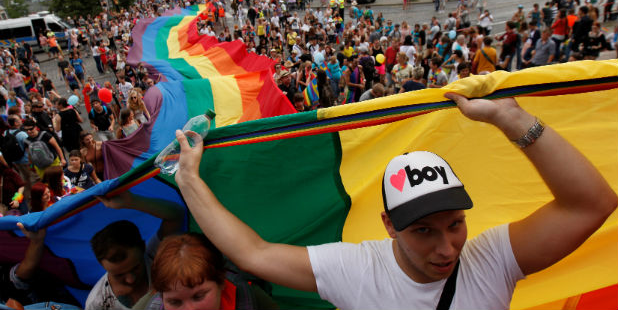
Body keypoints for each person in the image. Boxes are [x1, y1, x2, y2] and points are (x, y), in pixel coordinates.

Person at [173, 87, 617, 309]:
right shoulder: (355, 269)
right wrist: (189, 179)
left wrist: (512, 120)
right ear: (389, 225)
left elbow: (592, 204)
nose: (446, 248)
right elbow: (254, 253)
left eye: (455, 224)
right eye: (423, 230)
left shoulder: (492, 258)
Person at [85, 191, 185, 310]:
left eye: (136, 268)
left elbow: (176, 215)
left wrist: (132, 201)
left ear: (143, 247)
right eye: (119, 275)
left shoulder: (155, 255)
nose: (130, 279)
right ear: (102, 265)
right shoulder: (97, 303)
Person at [146, 233, 278, 310]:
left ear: (221, 282)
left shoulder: (251, 297)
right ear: (161, 296)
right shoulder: (149, 306)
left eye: (198, 296)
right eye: (175, 302)